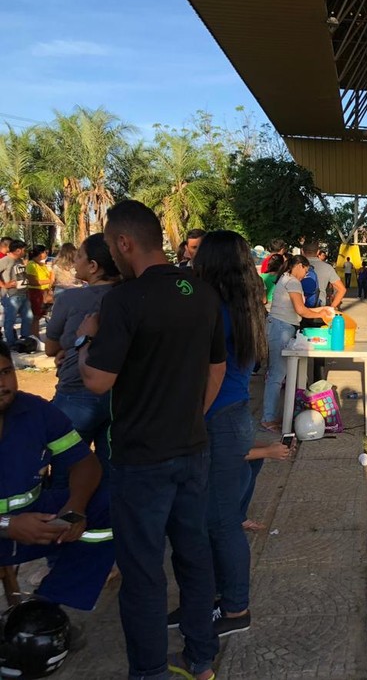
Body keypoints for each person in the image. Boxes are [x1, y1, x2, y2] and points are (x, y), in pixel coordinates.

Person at [77, 200, 224, 680]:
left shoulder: (122, 300)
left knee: (142, 573)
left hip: (139, 457)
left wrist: (85, 340)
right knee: (193, 556)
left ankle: (149, 672)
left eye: (113, 245)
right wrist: (191, 415)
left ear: (123, 243)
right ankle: (202, 658)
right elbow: (216, 367)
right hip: (192, 447)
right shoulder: (201, 292)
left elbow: (97, 381)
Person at [177, 230, 275, 637]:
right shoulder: (245, 304)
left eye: (199, 254)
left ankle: (234, 610)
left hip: (217, 417)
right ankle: (209, 602)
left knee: (221, 521)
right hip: (233, 414)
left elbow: (211, 372)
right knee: (214, 518)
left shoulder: (213, 307)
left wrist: (191, 416)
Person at [0, 341, 114, 621]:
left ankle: (45, 610)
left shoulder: (32, 410)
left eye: (5, 372)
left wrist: (75, 508)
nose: (1, 383)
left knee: (111, 503)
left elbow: (83, 462)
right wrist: (7, 525)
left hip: (35, 524)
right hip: (8, 528)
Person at [44, 234, 120, 474]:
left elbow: (50, 348)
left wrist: (69, 348)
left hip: (75, 392)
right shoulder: (127, 297)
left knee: (67, 470)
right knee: (110, 469)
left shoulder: (70, 299)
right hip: (118, 396)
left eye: (78, 256)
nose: (74, 261)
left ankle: (68, 512)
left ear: (94, 266)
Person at [260, 255, 336, 432]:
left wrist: (324, 310)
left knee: (280, 374)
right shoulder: (293, 281)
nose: (305, 275)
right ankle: (268, 418)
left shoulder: (286, 278)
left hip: (281, 326)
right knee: (277, 375)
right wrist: (322, 314)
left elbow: (301, 309)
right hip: (282, 328)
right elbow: (301, 310)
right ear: (300, 266)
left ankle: (274, 415)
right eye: (306, 271)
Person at [0, 240, 31, 345]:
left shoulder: (19, 261)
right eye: (24, 250)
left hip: (23, 294)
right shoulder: (6, 260)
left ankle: (25, 339)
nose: (25, 252)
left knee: (28, 317)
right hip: (11, 295)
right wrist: (4, 285)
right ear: (18, 250)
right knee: (10, 320)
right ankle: (11, 343)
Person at [25, 245, 52, 340]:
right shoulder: (31, 265)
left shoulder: (43, 265)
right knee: (36, 316)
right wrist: (50, 281)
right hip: (36, 292)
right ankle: (35, 337)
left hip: (45, 292)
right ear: (40, 253)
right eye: (45, 252)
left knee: (41, 314)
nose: (46, 254)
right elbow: (34, 281)